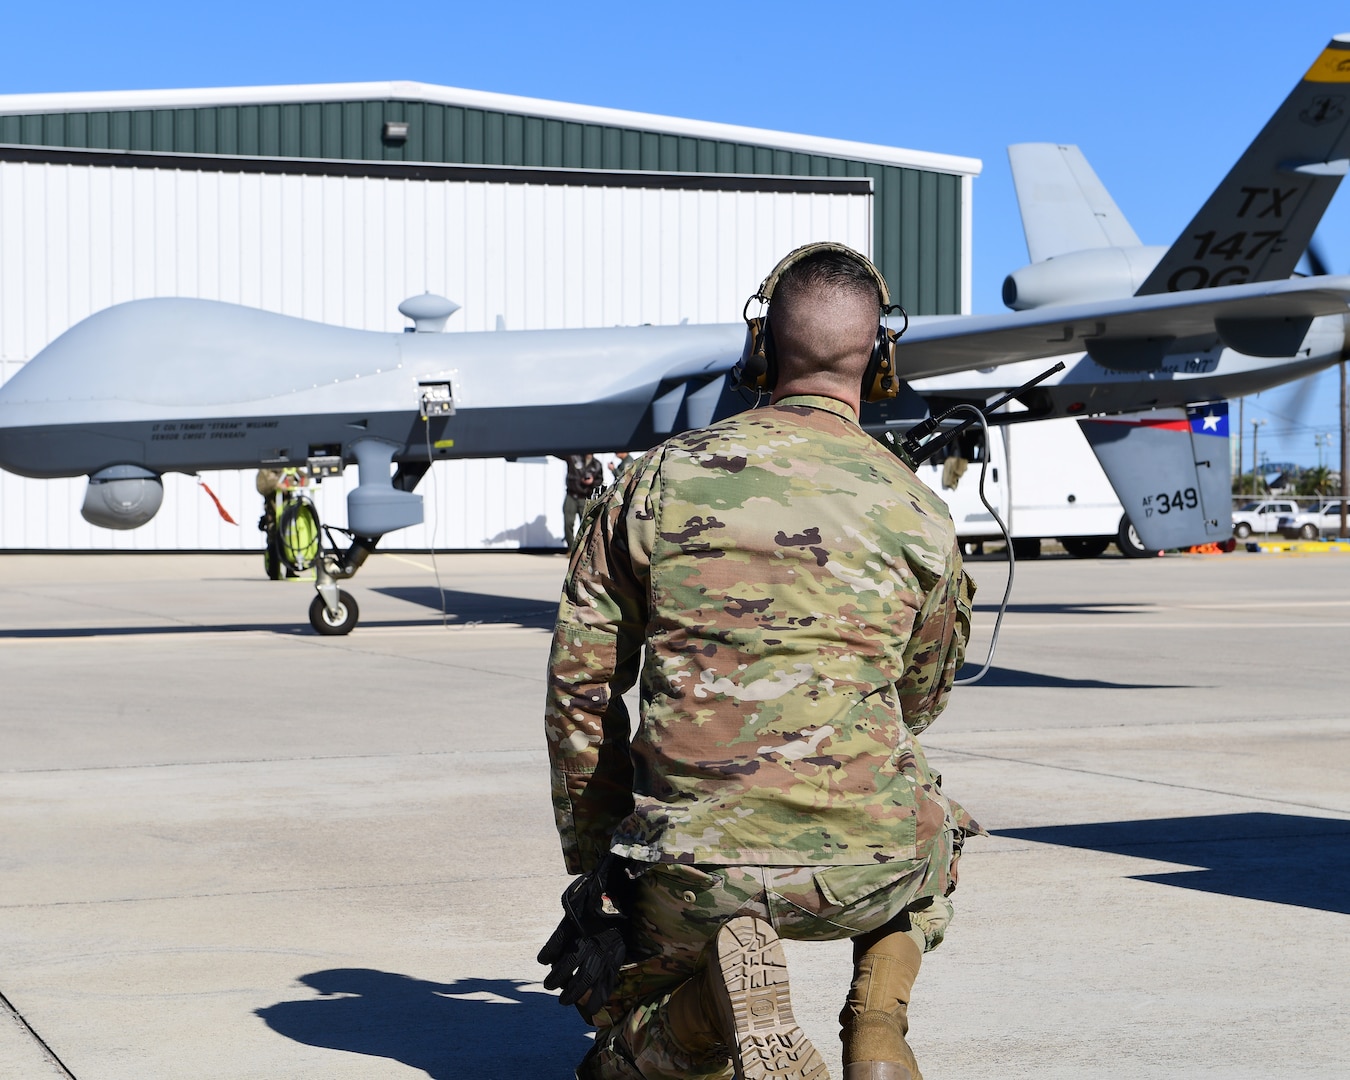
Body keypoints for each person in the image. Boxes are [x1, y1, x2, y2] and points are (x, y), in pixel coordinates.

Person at [542, 243, 981, 1080]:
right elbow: (918, 701)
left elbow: (581, 690)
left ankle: (707, 1010)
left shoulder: (654, 481)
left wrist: (599, 870)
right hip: (870, 868)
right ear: (882, 359)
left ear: (760, 348)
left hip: (691, 869)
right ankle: (878, 1029)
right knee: (939, 836)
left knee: (621, 1053)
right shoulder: (919, 508)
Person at [562, 453, 605, 550]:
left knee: (587, 523)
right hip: (572, 494)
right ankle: (571, 548)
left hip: (584, 496)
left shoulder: (597, 464)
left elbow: (600, 481)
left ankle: (585, 548)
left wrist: (592, 482)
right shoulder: (574, 458)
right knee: (568, 522)